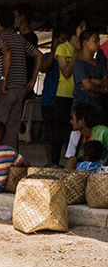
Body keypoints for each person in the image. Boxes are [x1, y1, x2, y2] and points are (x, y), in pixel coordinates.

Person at [0, 9, 42, 149]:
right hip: (20, 87)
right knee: (12, 128)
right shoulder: (20, 38)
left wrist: (4, 79)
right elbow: (39, 55)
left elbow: (7, 52)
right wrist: (32, 80)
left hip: (5, 88)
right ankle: (9, 161)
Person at [51, 19, 85, 164]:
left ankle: (72, 161)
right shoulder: (62, 48)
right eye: (81, 27)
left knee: (75, 131)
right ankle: (54, 162)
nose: (84, 29)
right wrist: (76, 53)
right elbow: (66, 72)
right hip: (64, 94)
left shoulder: (85, 48)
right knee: (59, 130)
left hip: (79, 94)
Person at [40, 28, 67, 166]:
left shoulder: (68, 56)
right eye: (60, 39)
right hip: (49, 99)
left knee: (60, 131)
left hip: (62, 98)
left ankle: (58, 159)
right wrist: (53, 52)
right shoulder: (48, 56)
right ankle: (50, 161)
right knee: (49, 131)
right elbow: (43, 68)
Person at [73, 29, 108, 115]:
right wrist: (102, 89)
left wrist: (94, 81)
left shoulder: (99, 63)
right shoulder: (79, 63)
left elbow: (106, 82)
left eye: (98, 41)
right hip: (82, 109)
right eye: (95, 41)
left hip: (98, 108)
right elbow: (87, 85)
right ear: (85, 43)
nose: (98, 44)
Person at [64, 104, 108, 169]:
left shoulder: (103, 131)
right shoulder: (75, 134)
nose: (70, 121)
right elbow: (71, 157)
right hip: (83, 168)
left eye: (73, 118)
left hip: (102, 168)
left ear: (82, 120)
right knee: (72, 160)